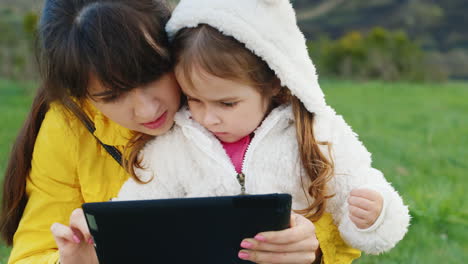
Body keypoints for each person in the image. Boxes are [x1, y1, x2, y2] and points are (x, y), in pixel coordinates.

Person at [0, 0, 360, 264]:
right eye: (112, 96)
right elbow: (29, 255)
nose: (147, 109)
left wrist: (312, 251)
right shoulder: (67, 128)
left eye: (152, 73)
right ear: (81, 95)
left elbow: (346, 224)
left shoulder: (256, 105)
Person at [116, 0, 411, 262]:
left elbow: (362, 186)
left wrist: (375, 217)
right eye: (193, 99)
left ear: (273, 83)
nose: (208, 118)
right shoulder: (177, 143)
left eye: (227, 103)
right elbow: (136, 209)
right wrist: (98, 230)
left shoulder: (316, 133)